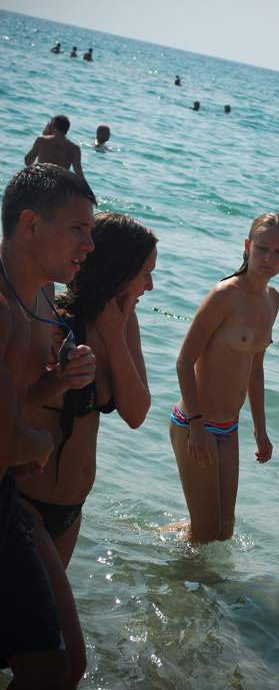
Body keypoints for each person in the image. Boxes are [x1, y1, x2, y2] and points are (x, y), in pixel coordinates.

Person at [0, 163, 97, 688]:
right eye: (78, 229)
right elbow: (10, 437)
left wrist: (59, 381)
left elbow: (15, 400)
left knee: (56, 668)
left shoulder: (39, 299)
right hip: (12, 496)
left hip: (7, 498)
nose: (89, 245)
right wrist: (33, 444)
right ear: (31, 224)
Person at [18, 211, 156, 569]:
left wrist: (113, 336)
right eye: (145, 274)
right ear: (118, 271)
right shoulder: (53, 322)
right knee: (50, 605)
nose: (151, 286)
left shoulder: (125, 322)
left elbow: (137, 413)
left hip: (71, 511)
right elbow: (19, 401)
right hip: (25, 501)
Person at [169, 212, 279, 543]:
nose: (269, 259)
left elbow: (256, 368)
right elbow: (184, 362)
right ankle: (178, 573)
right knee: (206, 531)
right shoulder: (224, 295)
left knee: (224, 530)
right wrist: (196, 426)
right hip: (195, 423)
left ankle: (163, 542)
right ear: (248, 246)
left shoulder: (272, 300)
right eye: (262, 249)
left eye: (278, 253)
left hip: (228, 428)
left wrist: (261, 430)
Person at [25, 115, 84, 181]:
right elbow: (79, 175)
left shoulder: (41, 140)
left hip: (41, 180)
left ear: (52, 126)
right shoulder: (74, 149)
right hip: (59, 183)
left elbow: (27, 162)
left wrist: (44, 135)